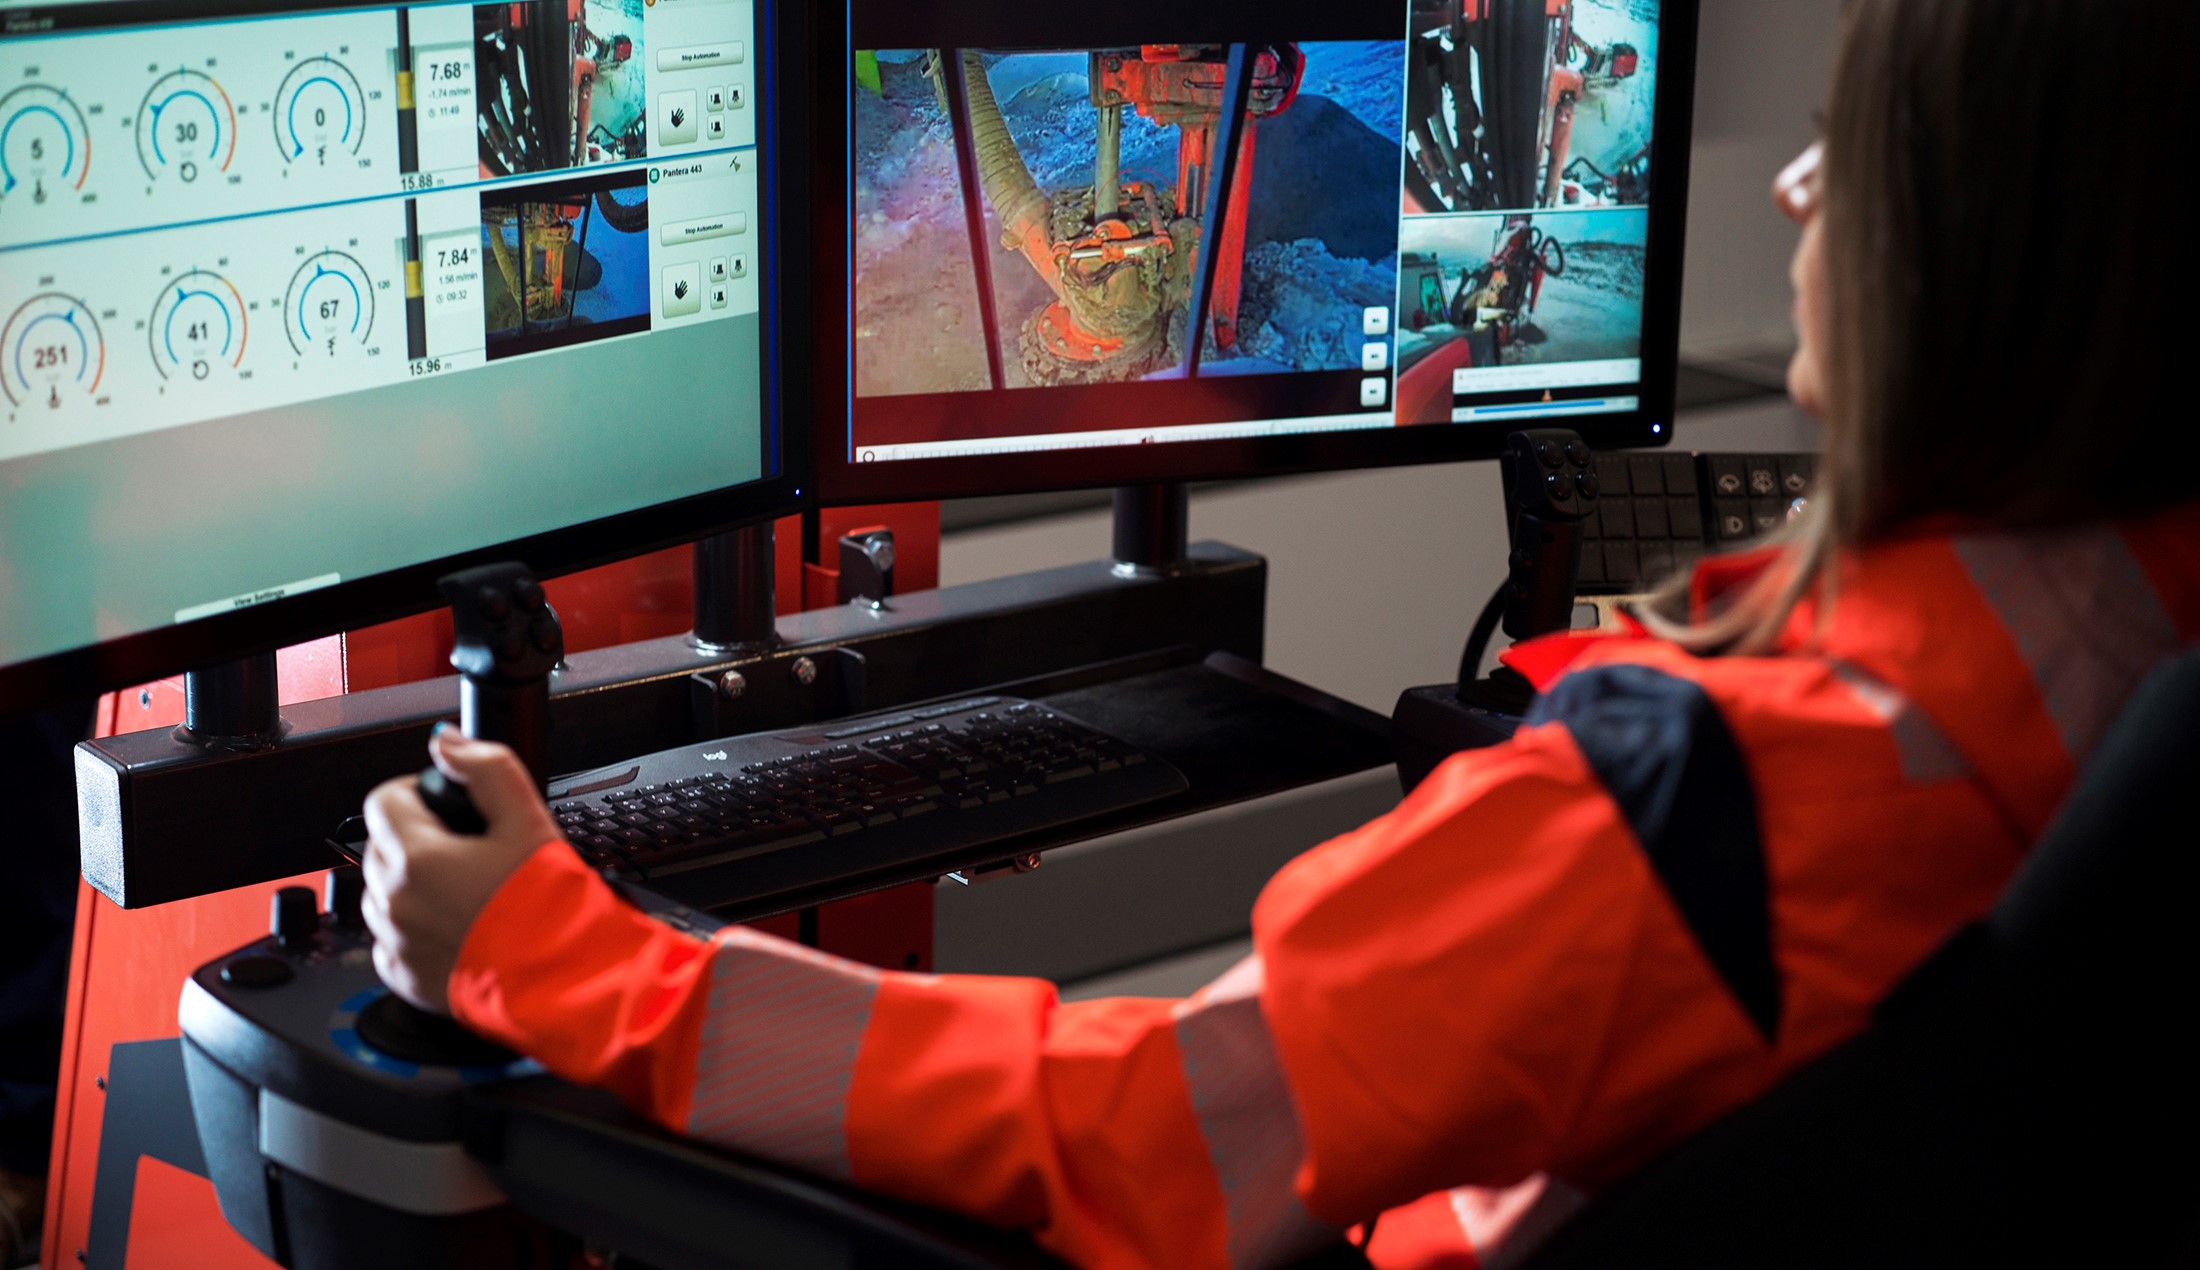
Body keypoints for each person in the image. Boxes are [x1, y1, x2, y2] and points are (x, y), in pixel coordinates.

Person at [362, 0, 2197, 1265]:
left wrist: (548, 947)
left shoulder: (1713, 803)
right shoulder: (2125, 662)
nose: (1797, 195)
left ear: (1996, 251)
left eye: (1853, 153)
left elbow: (1155, 1136)